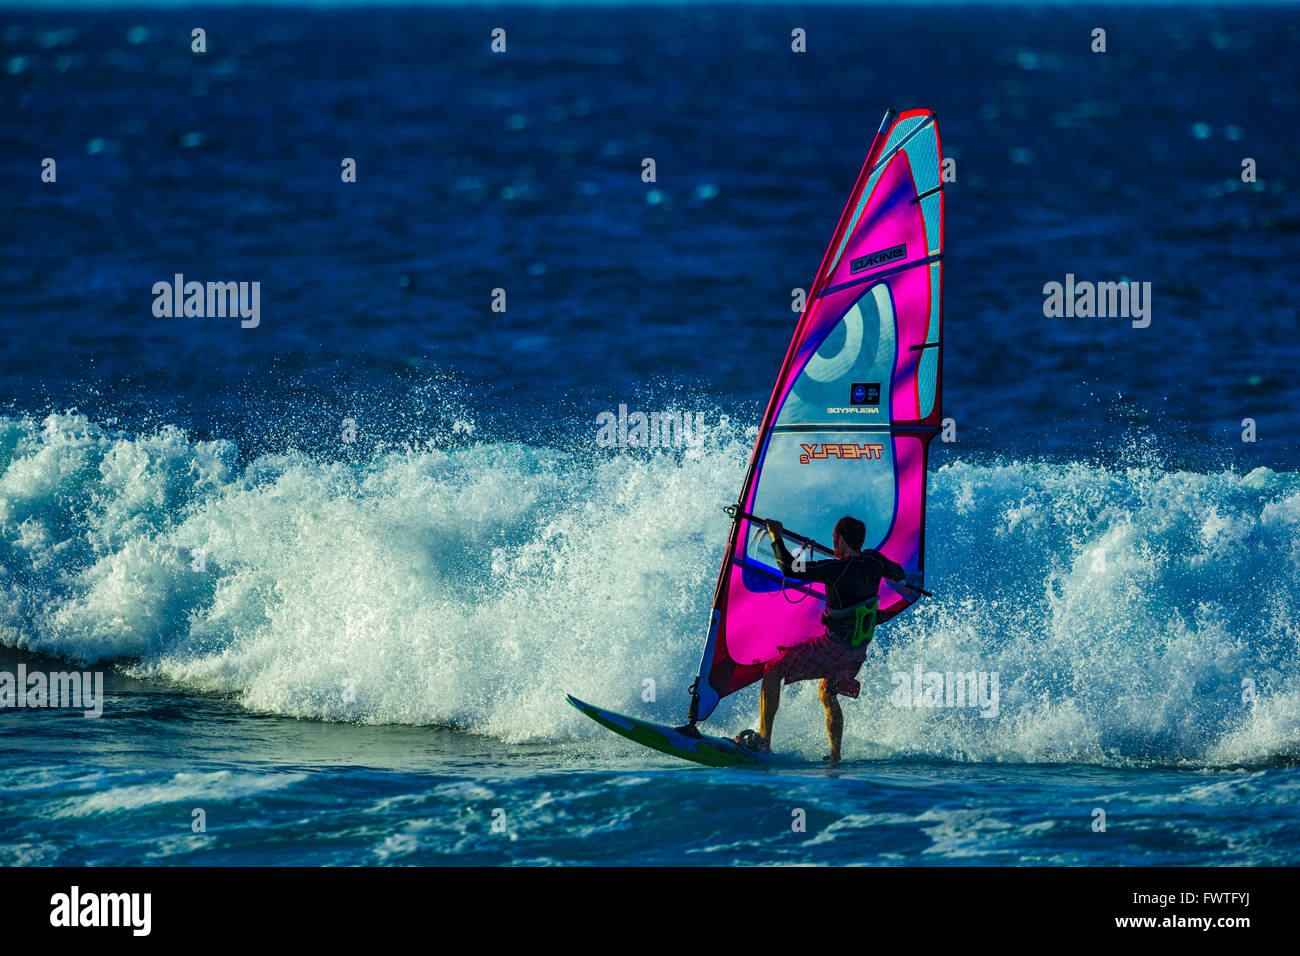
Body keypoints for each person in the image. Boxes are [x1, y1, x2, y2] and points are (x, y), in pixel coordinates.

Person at [738, 515, 905, 763]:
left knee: (773, 670)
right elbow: (898, 573)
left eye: (835, 539)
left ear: (840, 539)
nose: (833, 543)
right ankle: (835, 756)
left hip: (835, 648)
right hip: (857, 652)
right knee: (828, 692)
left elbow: (788, 567)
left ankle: (763, 742)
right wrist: (887, 574)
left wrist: (776, 535)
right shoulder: (874, 560)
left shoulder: (837, 569)